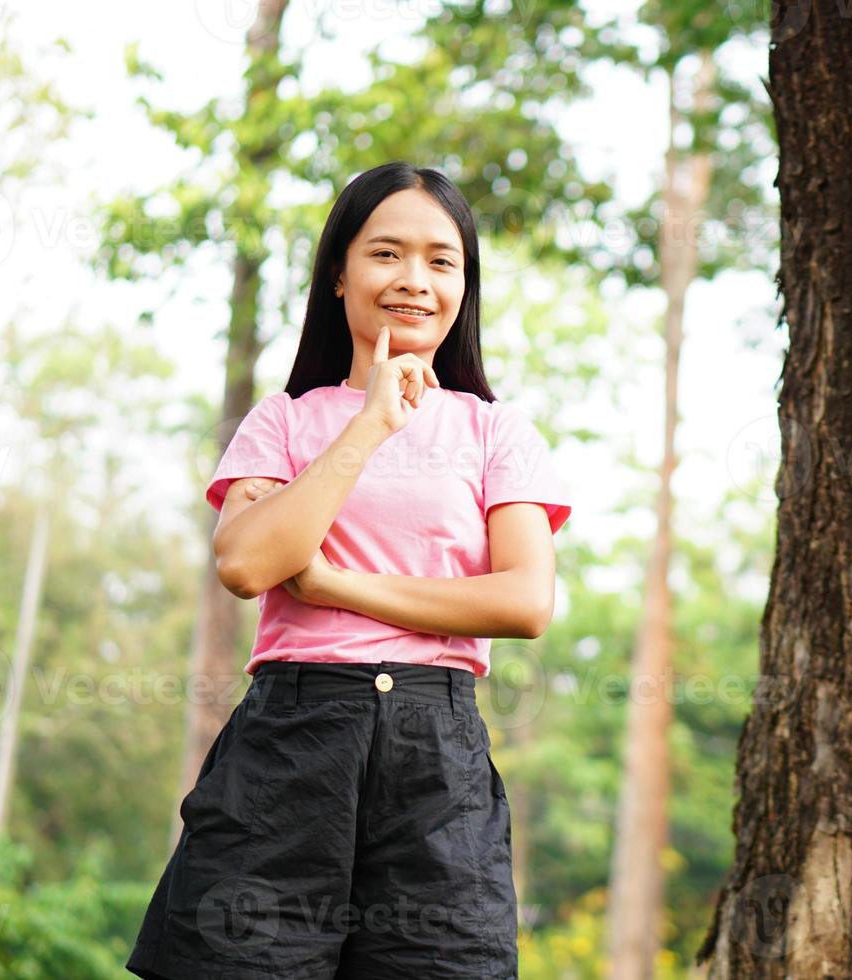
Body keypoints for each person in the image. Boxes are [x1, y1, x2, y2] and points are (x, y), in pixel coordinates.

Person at [126, 161, 572, 979]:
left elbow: (524, 601)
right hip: (288, 751)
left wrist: (334, 586)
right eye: (386, 254)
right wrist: (369, 423)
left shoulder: (495, 433)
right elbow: (246, 561)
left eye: (442, 261)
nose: (414, 281)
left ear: (465, 288)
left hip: (436, 766)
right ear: (339, 274)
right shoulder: (286, 421)